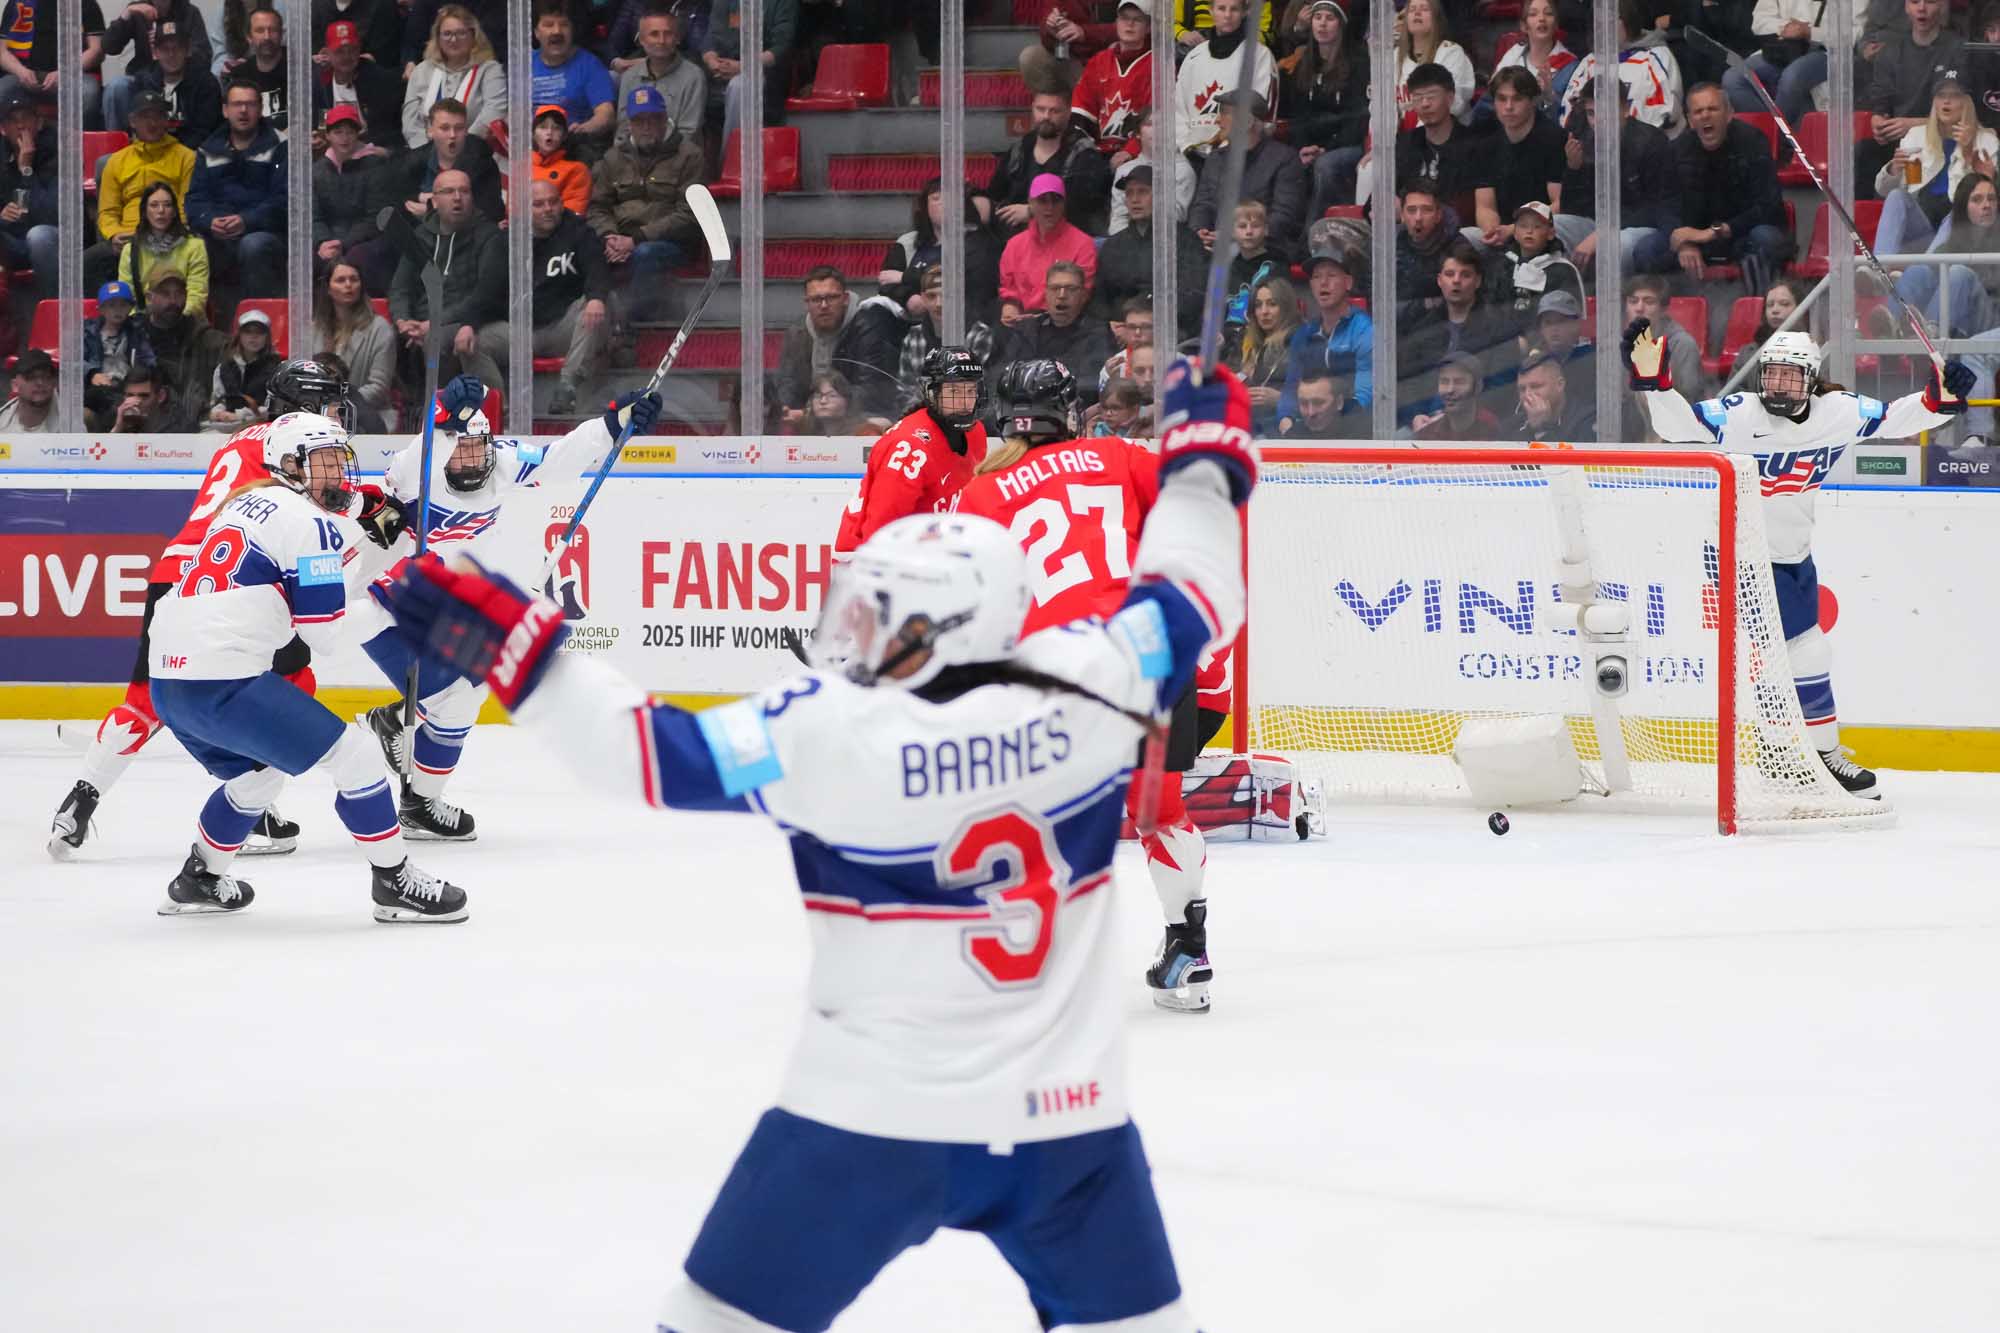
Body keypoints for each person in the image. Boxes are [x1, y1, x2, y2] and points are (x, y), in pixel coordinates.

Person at [368, 351, 1255, 1333]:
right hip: (1068, 1128)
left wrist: (524, 657)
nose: (855, 632)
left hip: (866, 1122)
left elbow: (640, 753)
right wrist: (1205, 467)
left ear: (939, 629)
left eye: (880, 615)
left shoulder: (830, 730)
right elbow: (1196, 590)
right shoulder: (1098, 684)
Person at [953, 356, 1224, 1018]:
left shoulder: (981, 493)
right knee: (1159, 811)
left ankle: (1039, 963)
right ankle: (1188, 953)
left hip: (1061, 667)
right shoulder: (1120, 455)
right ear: (1068, 414)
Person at [134, 412, 469, 921]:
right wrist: (394, 582)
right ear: (290, 465)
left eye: (340, 460)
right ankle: (394, 880)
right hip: (222, 680)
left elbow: (310, 581)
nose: (339, 473)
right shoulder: (309, 524)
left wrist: (382, 543)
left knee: (259, 777)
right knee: (357, 757)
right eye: (326, 462)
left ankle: (200, 878)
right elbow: (322, 633)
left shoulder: (245, 502)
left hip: (170, 683)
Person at [1628, 318, 1974, 796]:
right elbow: (1676, 427)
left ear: (1811, 380)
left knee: (1780, 657)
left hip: (1794, 552)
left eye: (1790, 376)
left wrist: (1941, 398)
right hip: (1737, 552)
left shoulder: (1839, 412)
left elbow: (1900, 417)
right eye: (1771, 373)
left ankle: (1776, 752)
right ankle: (1824, 757)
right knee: (1807, 650)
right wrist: (1655, 384)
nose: (1778, 384)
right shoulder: (1740, 414)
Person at [48, 358, 351, 861]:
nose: (337, 416)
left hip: (177, 571)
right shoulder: (294, 446)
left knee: (146, 697)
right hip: (234, 580)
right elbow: (326, 507)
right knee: (288, 687)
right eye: (330, 406)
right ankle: (252, 803)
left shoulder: (240, 440)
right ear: (305, 406)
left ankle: (80, 798)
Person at [354, 379, 663, 839]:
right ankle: (412, 778)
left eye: (477, 450)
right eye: (459, 451)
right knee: (452, 695)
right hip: (380, 600)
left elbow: (559, 459)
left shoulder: (502, 462)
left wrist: (611, 425)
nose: (470, 461)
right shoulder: (418, 472)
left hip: (438, 600)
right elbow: (420, 454)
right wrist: (442, 413)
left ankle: (409, 759)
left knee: (472, 685)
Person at [832, 346, 988, 555]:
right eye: (954, 391)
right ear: (933, 392)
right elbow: (880, 534)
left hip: (925, 552)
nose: (965, 402)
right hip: (863, 558)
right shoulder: (908, 449)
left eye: (970, 391)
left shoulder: (975, 433)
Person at [478, 178, 611, 417]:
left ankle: (567, 388)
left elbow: (597, 269)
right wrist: (468, 323)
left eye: (553, 202)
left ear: (561, 204)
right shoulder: (506, 240)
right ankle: (501, 413)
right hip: (520, 332)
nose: (548, 209)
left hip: (563, 328)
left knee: (595, 306)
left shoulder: (579, 231)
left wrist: (596, 297)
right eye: (538, 204)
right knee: (474, 341)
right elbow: (486, 292)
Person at [585, 85, 706, 324]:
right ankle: (592, 322)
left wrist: (637, 238)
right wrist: (609, 236)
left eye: (653, 119)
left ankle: (631, 325)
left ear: (664, 119)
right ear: (629, 124)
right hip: (620, 237)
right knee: (584, 248)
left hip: (673, 241)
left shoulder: (689, 155)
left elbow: (689, 214)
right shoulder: (613, 157)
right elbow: (598, 207)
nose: (646, 126)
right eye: (640, 121)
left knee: (645, 253)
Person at [1669, 82, 1796, 295]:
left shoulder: (1753, 141)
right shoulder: (1677, 150)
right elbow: (1666, 203)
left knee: (1765, 238)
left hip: (1744, 233)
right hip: (1697, 240)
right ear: (1690, 121)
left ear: (1729, 114)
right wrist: (1683, 243)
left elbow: (1769, 205)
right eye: (1698, 111)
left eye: (1712, 109)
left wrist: (1715, 232)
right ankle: (1667, 310)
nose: (1705, 115)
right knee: (1649, 249)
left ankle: (1762, 307)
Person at [387, 167, 506, 390]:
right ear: (434, 201)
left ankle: (441, 405)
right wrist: (403, 320)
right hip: (421, 322)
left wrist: (434, 323)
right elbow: (400, 288)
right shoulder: (419, 237)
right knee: (386, 336)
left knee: (437, 340)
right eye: (449, 191)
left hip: (465, 320)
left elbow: (483, 295)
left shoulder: (488, 235)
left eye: (464, 191)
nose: (457, 198)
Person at [1553, 75, 1680, 276]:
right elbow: (1572, 209)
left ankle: (1620, 296)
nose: (1598, 121)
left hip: (1640, 226)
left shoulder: (1651, 142)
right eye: (1591, 113)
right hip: (1597, 225)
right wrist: (1573, 169)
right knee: (1549, 228)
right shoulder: (1584, 140)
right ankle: (1559, 292)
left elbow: (1655, 208)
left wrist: (1604, 233)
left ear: (1625, 109)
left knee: (1616, 247)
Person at [1871, 72, 1998, 260]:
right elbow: (1884, 191)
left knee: (1956, 212)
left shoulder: (1987, 141)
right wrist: (1894, 170)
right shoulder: (1916, 136)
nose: (1946, 101)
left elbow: (1986, 201)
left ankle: (1924, 271)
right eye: (1941, 95)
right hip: (1921, 228)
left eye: (1954, 95)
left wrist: (1967, 153)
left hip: (1960, 232)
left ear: (1967, 102)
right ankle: (1879, 267)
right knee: (1897, 196)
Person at [186, 76, 288, 300]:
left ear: (260, 109)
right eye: (237, 104)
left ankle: (258, 317)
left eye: (250, 104)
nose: (243, 111)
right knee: (191, 246)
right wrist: (209, 221)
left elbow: (283, 200)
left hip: (266, 233)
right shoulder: (208, 149)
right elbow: (195, 201)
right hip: (218, 233)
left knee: (253, 246)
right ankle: (198, 318)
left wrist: (246, 221)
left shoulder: (280, 145)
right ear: (225, 110)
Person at [89, 90, 197, 291]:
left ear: (166, 121)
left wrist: (170, 233)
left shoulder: (186, 158)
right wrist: (114, 234)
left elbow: (186, 207)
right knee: (86, 264)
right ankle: (106, 310)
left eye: (158, 116)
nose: (152, 123)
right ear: (132, 121)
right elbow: (107, 211)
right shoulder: (116, 161)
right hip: (127, 236)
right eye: (145, 116)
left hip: (168, 235)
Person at [1863, 0, 1969, 193]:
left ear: (1941, 6)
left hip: (1942, 138)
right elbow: (1881, 100)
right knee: (1863, 152)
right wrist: (1878, 120)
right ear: (1906, 6)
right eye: (1914, 1)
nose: (1921, 8)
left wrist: (1913, 124)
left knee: (1915, 181)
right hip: (1899, 140)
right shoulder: (1891, 50)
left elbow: (1963, 115)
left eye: (1929, 2)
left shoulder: (1958, 49)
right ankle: (1864, 211)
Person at [984, 86, 1115, 238]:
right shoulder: (1020, 150)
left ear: (1068, 113)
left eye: (1054, 111)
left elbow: (1083, 207)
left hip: (1068, 239)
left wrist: (1032, 211)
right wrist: (981, 202)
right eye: (1041, 109)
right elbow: (995, 193)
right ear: (1033, 108)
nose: (1046, 116)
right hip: (1018, 239)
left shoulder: (1085, 154)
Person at [1189, 96, 1308, 261]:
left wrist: (1238, 235)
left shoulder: (1284, 159)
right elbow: (1203, 204)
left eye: (1224, 113)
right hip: (1214, 249)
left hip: (1264, 252)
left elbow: (1284, 217)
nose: (1217, 121)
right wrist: (1200, 230)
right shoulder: (1215, 159)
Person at [1285, 0, 1370, 222]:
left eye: (1329, 18)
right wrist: (1303, 146)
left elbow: (1358, 119)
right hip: (1312, 146)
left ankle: (1314, 232)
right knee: (1285, 160)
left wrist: (1326, 149)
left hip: (1347, 144)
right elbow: (1298, 115)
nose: (1322, 24)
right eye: (1317, 17)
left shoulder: (1359, 63)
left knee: (1326, 165)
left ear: (1341, 24)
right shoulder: (1304, 63)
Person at [1097, 168, 1204, 342]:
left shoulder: (1186, 241)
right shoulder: (1113, 245)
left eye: (1143, 192)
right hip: (1120, 334)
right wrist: (1111, 325)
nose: (1135, 199)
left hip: (1169, 333)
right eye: (1129, 193)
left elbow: (1193, 294)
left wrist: (1145, 323)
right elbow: (1099, 298)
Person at [878, 178, 1003, 327]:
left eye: (950, 199)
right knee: (874, 311)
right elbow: (886, 281)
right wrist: (908, 297)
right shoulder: (908, 242)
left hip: (961, 321)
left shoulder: (979, 242)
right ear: (925, 206)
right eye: (936, 198)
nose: (944, 204)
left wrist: (905, 277)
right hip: (910, 319)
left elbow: (959, 278)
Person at [1556, 0, 1684, 140]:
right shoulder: (1590, 62)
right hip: (1597, 147)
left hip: (1648, 147)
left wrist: (1628, 137)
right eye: (1599, 20)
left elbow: (1668, 112)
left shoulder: (1656, 56)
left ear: (1629, 19)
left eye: (1611, 18)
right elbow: (1567, 114)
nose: (1605, 25)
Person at [1279, 240, 1373, 427]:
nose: (1323, 282)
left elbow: (1365, 392)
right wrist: (1285, 417)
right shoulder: (1304, 334)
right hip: (1312, 420)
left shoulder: (1364, 329)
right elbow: (1291, 386)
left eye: (1331, 275)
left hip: (1353, 425)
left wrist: (1340, 424)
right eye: (1316, 277)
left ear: (1348, 283)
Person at [1897, 174, 2000, 338]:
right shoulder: (1952, 243)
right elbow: (1929, 277)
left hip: (1992, 321)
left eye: (1992, 199)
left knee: (1959, 273)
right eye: (1977, 200)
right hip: (1960, 318)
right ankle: (1894, 331)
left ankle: (1931, 335)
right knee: (1918, 272)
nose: (1987, 205)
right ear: (1964, 207)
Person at [991, 261, 1115, 394]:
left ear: (1083, 295)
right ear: (1045, 293)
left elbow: (1093, 381)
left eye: (1071, 289)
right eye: (1055, 288)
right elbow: (1000, 373)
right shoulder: (1027, 330)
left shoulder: (1099, 332)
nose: (1062, 295)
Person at [311, 104, 395, 297]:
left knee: (361, 258)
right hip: (328, 239)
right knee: (303, 261)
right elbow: (313, 216)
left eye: (350, 132)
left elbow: (375, 217)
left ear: (358, 134)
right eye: (338, 132)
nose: (344, 138)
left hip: (363, 239)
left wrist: (344, 243)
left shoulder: (375, 166)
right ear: (328, 135)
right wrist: (323, 242)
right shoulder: (317, 171)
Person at [1175, 0, 1278, 153]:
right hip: (1191, 153)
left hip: (1241, 156)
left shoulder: (1260, 55)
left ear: (1245, 12)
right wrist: (1187, 147)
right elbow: (1178, 110)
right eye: (1221, 8)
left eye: (1234, 9)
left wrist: (1223, 150)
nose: (1227, 15)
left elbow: (1261, 114)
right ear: (1211, 10)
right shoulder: (1194, 56)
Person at [1480, 67, 1567, 248]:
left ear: (1533, 101)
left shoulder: (1554, 139)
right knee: (1468, 237)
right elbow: (1485, 206)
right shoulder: (1486, 141)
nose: (1508, 107)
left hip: (1543, 232)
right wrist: (1492, 231)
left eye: (1517, 99)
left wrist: (1514, 230)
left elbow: (1560, 204)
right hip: (1503, 232)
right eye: (1502, 99)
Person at [401, 3, 507, 147]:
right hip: (424, 152)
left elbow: (494, 112)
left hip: (473, 150)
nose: (453, 39)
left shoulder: (490, 70)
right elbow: (410, 122)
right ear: (438, 38)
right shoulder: (421, 70)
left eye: (461, 33)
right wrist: (425, 151)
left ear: (474, 35)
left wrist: (460, 147)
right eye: (447, 34)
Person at [997, 174, 1098, 323]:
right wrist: (1010, 307)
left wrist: (1038, 319)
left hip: (1064, 321)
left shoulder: (1084, 244)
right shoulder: (1014, 245)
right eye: (1042, 200)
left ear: (1064, 204)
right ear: (1030, 203)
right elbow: (1009, 288)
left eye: (1055, 201)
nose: (1049, 208)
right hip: (1021, 321)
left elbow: (1081, 293)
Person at [102, 0, 213, 131]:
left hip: (180, 77)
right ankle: (118, 142)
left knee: (207, 82)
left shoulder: (189, 12)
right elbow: (109, 47)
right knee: (117, 86)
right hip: (143, 77)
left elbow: (203, 55)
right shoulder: (137, 10)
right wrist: (127, 13)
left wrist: (172, 42)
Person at [392, 96, 505, 224]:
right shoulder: (415, 161)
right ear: (430, 130)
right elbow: (395, 197)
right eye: (445, 128)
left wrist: (434, 211)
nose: (452, 135)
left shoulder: (483, 164)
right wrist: (419, 196)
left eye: (459, 128)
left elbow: (491, 215)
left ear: (466, 130)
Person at [138, 265, 226, 429]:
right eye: (165, 294)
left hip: (192, 425)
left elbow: (234, 351)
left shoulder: (200, 335)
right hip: (142, 422)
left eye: (179, 294)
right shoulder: (134, 335)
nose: (173, 301)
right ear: (149, 297)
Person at [313, 258, 395, 431]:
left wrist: (340, 405)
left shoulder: (380, 328)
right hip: (318, 416)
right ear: (328, 288)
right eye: (340, 280)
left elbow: (379, 388)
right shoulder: (314, 328)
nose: (348, 285)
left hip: (368, 418)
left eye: (354, 279)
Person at [700, 0, 796, 148]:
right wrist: (713, 62)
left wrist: (743, 67)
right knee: (692, 77)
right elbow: (712, 37)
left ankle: (732, 156)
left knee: (740, 86)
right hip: (723, 69)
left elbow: (781, 47)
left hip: (765, 72)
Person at [530, 0, 616, 159]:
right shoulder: (524, 64)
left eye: (564, 24)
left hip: (573, 148)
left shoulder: (589, 64)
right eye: (548, 25)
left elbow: (606, 115)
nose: (557, 31)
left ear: (572, 30)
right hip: (530, 149)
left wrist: (583, 129)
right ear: (536, 32)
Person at [1723, 0, 1832, 123]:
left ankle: (1776, 132)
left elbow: (1849, 34)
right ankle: (1766, 130)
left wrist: (1810, 32)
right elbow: (1759, 22)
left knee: (1792, 76)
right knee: (1733, 77)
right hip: (1785, 49)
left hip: (1827, 51)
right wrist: (1788, 27)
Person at [0, 0, 105, 120]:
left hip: (70, 77)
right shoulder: (16, 3)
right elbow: (2, 52)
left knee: (88, 91)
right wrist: (20, 71)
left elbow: (97, 50)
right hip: (23, 77)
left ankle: (77, 133)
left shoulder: (85, 3)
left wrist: (65, 72)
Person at [1072, 1, 1151, 159]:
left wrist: (1130, 151)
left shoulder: (1157, 65)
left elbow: (1155, 119)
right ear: (1116, 23)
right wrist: (1087, 151)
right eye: (1124, 18)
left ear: (1149, 27)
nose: (1130, 24)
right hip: (1098, 152)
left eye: (1137, 19)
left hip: (1139, 154)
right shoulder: (1098, 62)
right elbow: (1081, 114)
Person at [118, 180, 210, 314]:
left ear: (174, 212)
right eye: (154, 205)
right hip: (144, 319)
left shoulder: (195, 246)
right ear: (144, 211)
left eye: (167, 205)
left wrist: (178, 320)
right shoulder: (130, 250)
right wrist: (138, 321)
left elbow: (197, 295)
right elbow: (127, 298)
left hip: (184, 318)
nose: (161, 210)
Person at [777, 265, 855, 421]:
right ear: (806, 303)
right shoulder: (796, 334)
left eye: (831, 297)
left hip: (851, 422)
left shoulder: (862, 328)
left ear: (845, 299)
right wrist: (787, 408)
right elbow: (788, 382)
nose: (824, 305)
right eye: (816, 299)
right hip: (808, 421)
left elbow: (867, 390)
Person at [1492, 201, 1584, 333]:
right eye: (1523, 226)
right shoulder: (1502, 264)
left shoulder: (1564, 270)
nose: (1529, 231)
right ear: (1515, 233)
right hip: (1503, 339)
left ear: (1551, 233)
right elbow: (1491, 307)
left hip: (1545, 340)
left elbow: (1571, 319)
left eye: (1537, 226)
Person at [1228, 273, 1301, 436]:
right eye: (1258, 305)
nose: (1264, 312)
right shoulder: (1249, 343)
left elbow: (1322, 400)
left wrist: (1279, 399)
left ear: (1286, 307)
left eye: (1272, 304)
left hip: (1286, 430)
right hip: (1250, 427)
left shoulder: (1304, 341)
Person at [313, 17, 401, 152]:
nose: (347, 56)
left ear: (359, 49)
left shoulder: (377, 79)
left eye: (352, 50)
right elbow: (320, 125)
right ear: (327, 53)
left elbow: (387, 131)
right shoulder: (320, 82)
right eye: (340, 51)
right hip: (333, 150)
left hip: (370, 150)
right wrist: (318, 138)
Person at [132, 18, 221, 151]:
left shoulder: (206, 83)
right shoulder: (143, 81)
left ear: (188, 50)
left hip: (190, 154)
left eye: (177, 48)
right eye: (165, 49)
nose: (171, 54)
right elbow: (137, 126)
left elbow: (204, 131)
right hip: (150, 151)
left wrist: (174, 155)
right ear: (155, 53)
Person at [616, 2, 703, 136]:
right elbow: (623, 129)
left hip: (678, 149)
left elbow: (689, 133)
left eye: (668, 34)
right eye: (654, 34)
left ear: (677, 38)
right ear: (641, 40)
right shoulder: (629, 77)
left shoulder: (694, 77)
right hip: (634, 148)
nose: (661, 41)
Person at [0, 92, 56, 299]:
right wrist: (2, 217)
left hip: (52, 238)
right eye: (13, 121)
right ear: (3, 129)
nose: (21, 125)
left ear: (39, 123)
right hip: (12, 240)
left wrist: (26, 169)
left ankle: (53, 305)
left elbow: (50, 215)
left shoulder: (57, 153)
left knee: (38, 236)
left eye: (26, 118)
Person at [1109, 105, 1196, 234]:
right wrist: (1124, 242)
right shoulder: (1124, 170)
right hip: (1127, 239)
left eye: (1162, 125)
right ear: (1138, 133)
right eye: (1150, 124)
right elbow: (1118, 218)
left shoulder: (1182, 169)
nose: (1157, 130)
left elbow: (1176, 216)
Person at [1392, 0, 1474, 126]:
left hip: (1444, 134)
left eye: (1424, 9)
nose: (1417, 13)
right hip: (1404, 134)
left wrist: (1416, 134)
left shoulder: (1451, 52)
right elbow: (1381, 103)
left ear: (1436, 18)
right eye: (1412, 10)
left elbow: (1453, 104)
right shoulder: (1395, 56)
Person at [84, 280, 155, 426]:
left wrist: (139, 375)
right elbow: (75, 361)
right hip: (99, 386)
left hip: (126, 385)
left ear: (130, 308)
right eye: (112, 305)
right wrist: (91, 374)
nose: (118, 310)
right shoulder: (88, 333)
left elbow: (148, 359)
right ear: (101, 309)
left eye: (123, 305)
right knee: (97, 395)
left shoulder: (137, 331)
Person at [1491, 0, 1575, 117]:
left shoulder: (1572, 68)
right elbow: (1488, 105)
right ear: (1523, 26)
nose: (1542, 18)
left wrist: (1549, 97)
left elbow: (1569, 118)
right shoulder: (1511, 57)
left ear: (1556, 24)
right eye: (1533, 14)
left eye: (1548, 13)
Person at [205, 305, 282, 432]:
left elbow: (275, 407)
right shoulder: (224, 367)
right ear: (239, 335)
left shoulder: (277, 368)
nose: (253, 337)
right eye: (248, 332)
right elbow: (218, 400)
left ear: (267, 337)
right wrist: (217, 413)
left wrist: (240, 416)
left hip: (262, 429)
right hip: (226, 428)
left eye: (259, 332)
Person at [1512, 344, 1595, 442]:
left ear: (1560, 385)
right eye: (1522, 389)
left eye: (1536, 386)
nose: (1527, 395)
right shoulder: (1513, 424)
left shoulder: (1586, 421)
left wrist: (1543, 429)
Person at [1412, 350, 1500, 440]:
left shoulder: (1491, 428)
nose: (1450, 390)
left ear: (1478, 387)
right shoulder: (1429, 431)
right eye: (1444, 382)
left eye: (1459, 382)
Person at [528, 103, 593, 216]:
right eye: (543, 127)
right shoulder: (522, 168)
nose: (549, 132)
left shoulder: (577, 170)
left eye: (556, 128)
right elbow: (513, 210)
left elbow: (573, 214)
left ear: (564, 136)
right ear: (533, 134)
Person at [236, 4, 288, 129]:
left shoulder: (298, 68)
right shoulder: (239, 76)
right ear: (249, 37)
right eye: (260, 30)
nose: (267, 37)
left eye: (273, 30)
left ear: (281, 34)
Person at [1283, 364, 1367, 439]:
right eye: (1303, 403)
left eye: (1318, 403)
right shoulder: (1293, 439)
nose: (1311, 413)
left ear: (1339, 402)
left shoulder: (1362, 437)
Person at [0, 345, 53, 431]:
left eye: (46, 376)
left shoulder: (71, 421)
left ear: (54, 382)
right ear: (15, 385)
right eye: (31, 377)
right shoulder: (2, 425)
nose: (40, 382)